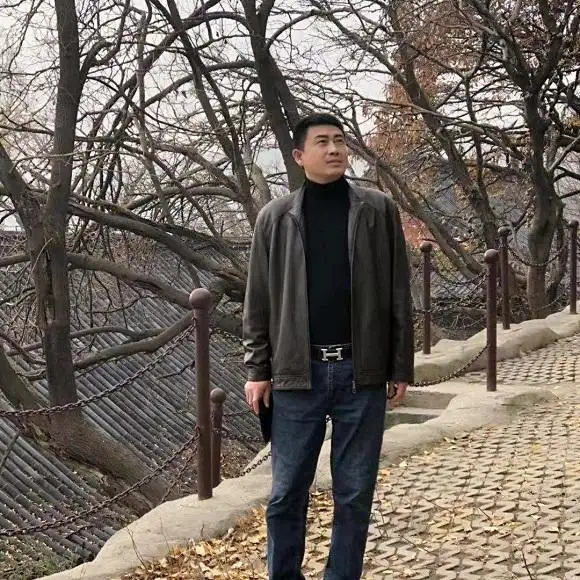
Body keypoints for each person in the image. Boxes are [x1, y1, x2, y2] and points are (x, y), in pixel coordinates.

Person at [242, 112, 414, 580]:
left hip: (362, 371)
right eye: (322, 142)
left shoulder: (377, 210)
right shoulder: (275, 218)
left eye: (340, 140)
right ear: (300, 156)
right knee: (286, 494)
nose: (335, 149)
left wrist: (400, 364)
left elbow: (398, 290)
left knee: (354, 493)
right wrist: (258, 370)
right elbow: (258, 301)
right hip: (297, 374)